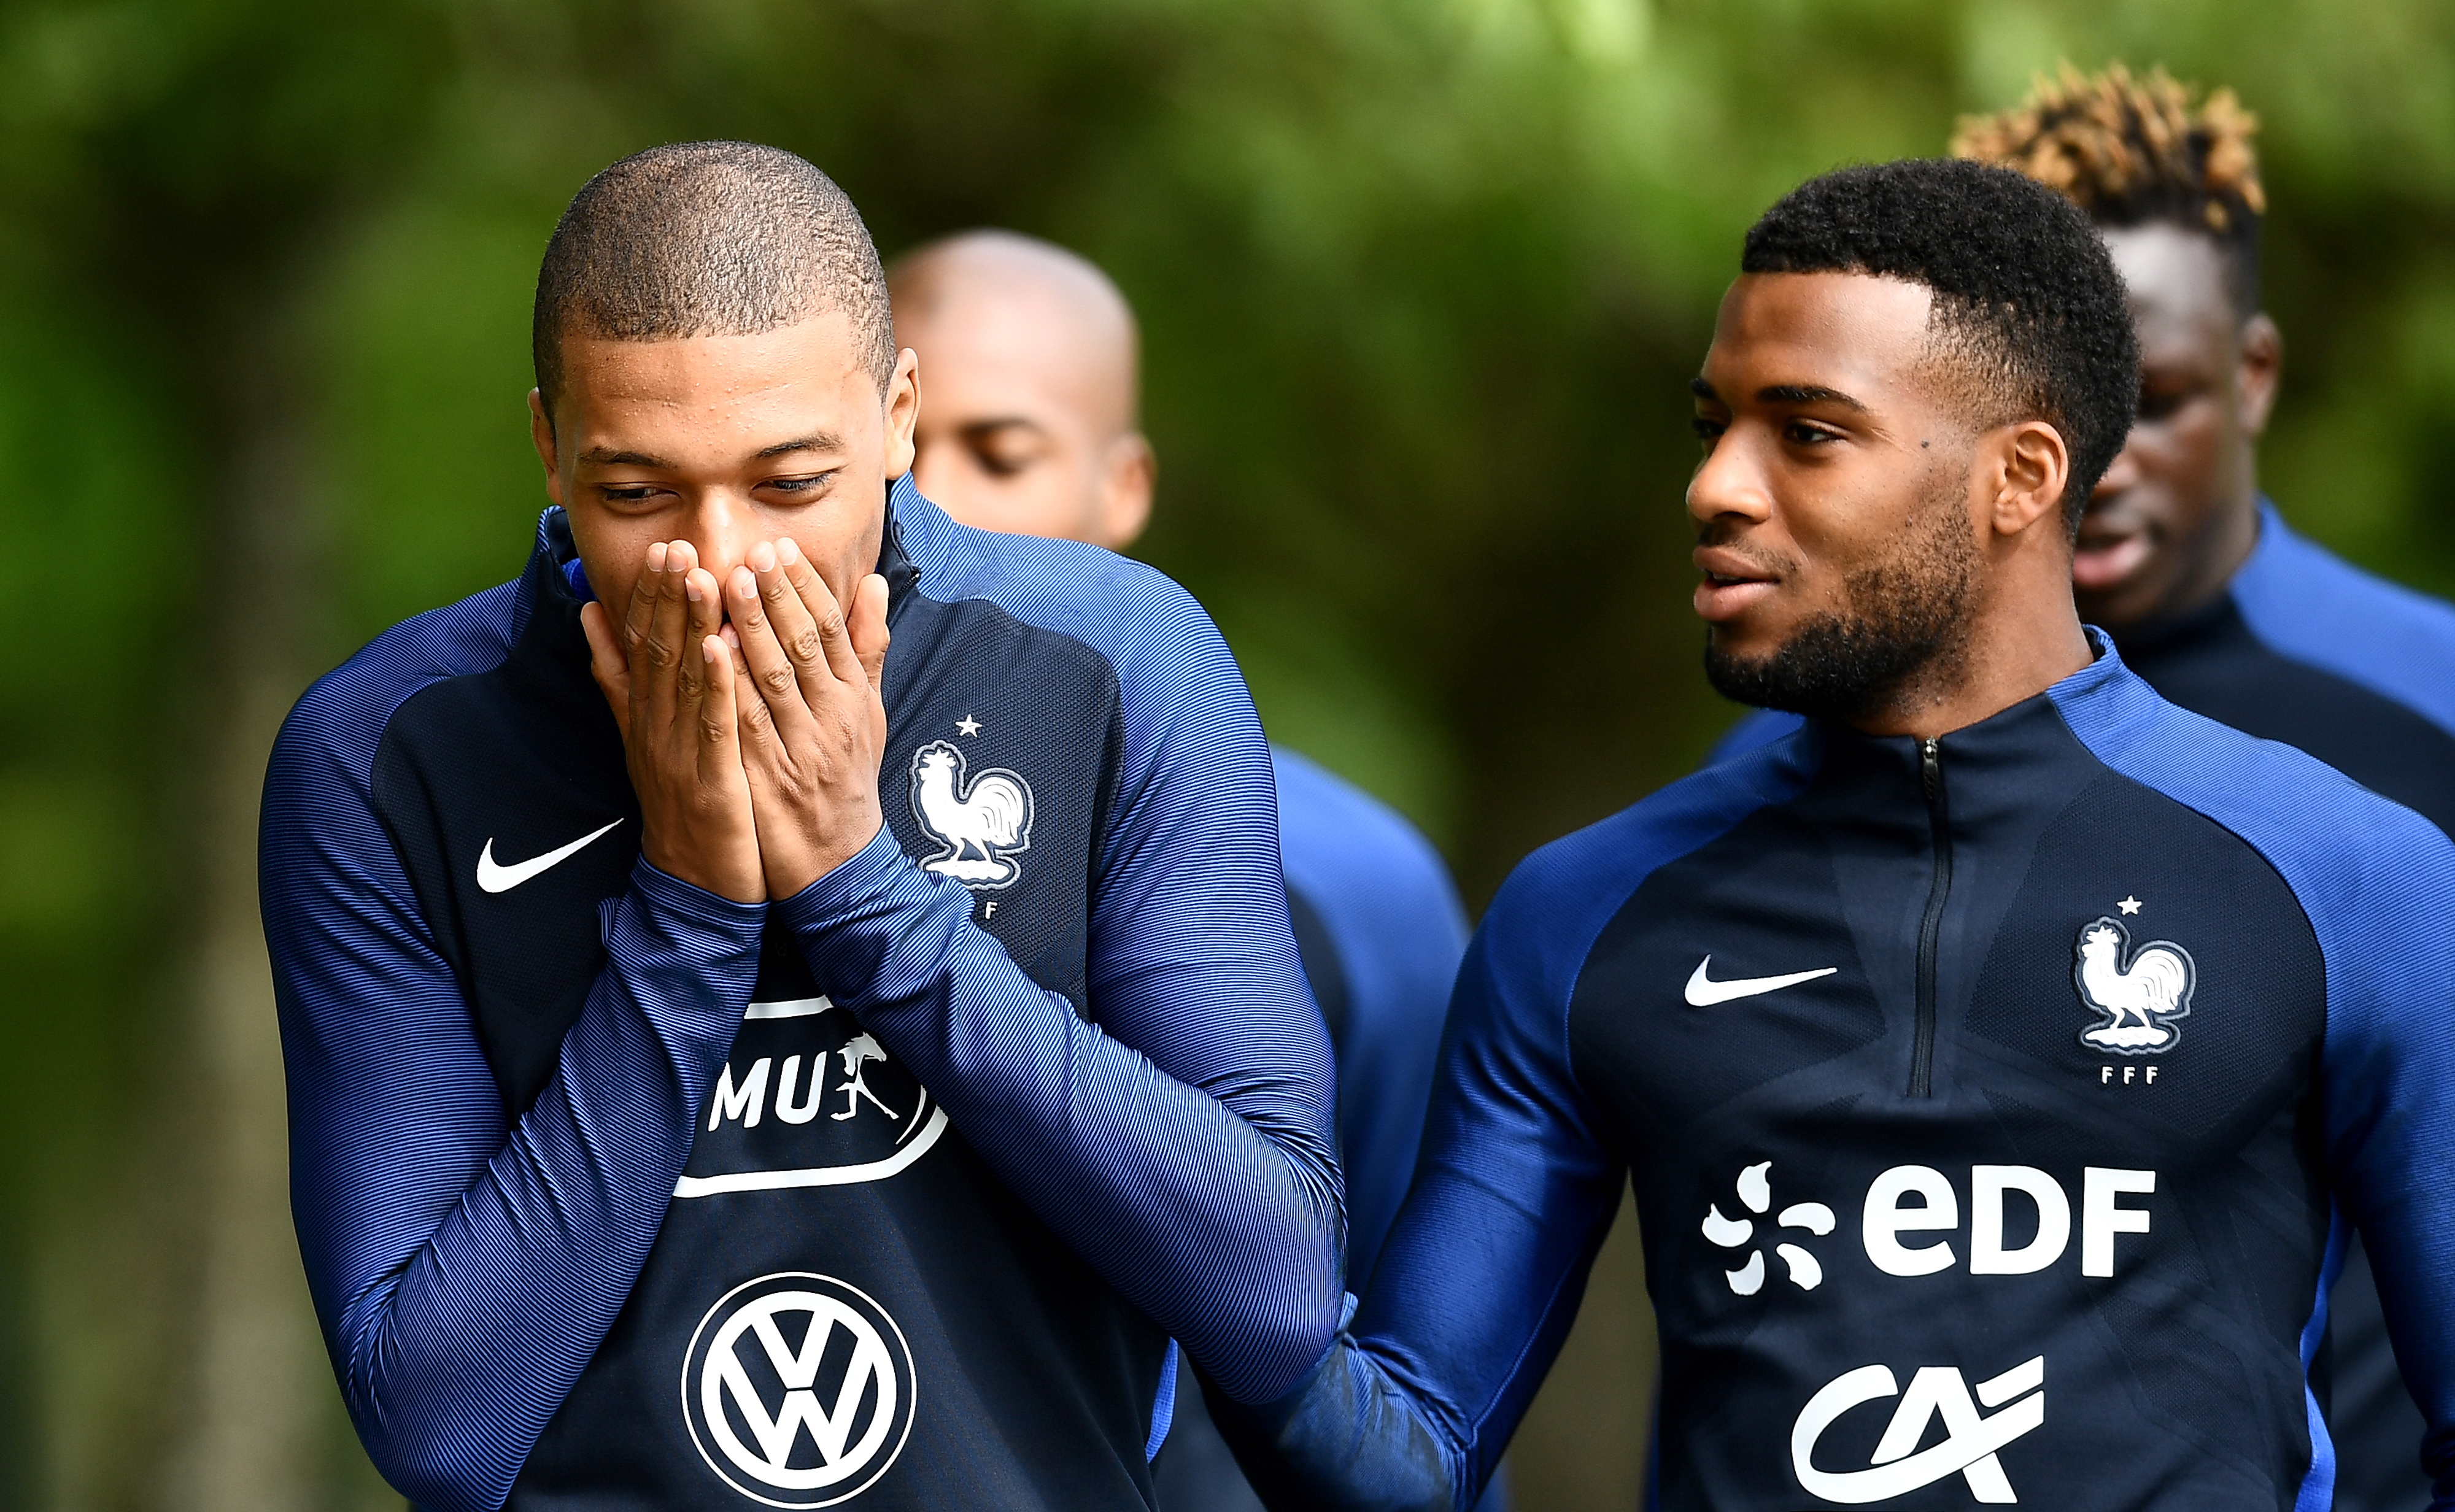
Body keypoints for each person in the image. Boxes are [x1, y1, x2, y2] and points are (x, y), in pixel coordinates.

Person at [1210, 157, 2455, 1512]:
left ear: (2020, 476)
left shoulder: (2349, 879)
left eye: (1804, 432)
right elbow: (1402, 1458)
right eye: (1712, 425)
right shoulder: (1582, 912)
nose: (1714, 489)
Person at [260, 142, 1344, 1512]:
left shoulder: (1113, 658)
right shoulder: (386, 748)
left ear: (898, 417)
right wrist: (689, 906)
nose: (716, 567)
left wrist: (860, 889)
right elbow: (440, 1426)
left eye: (787, 485)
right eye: (636, 492)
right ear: (548, 444)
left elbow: (1274, 1290)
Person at [1718, 68, 2455, 1510]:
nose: (2093, 468)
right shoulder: (1786, 760)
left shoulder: (2424, 707)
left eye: (2155, 402)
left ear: (2250, 374)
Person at [886, 230, 1481, 1512]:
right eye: (898, 442)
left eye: (1000, 451)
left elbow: (1409, 1348)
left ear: (1127, 487)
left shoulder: (1353, 880)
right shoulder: (722, 834)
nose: (924, 500)